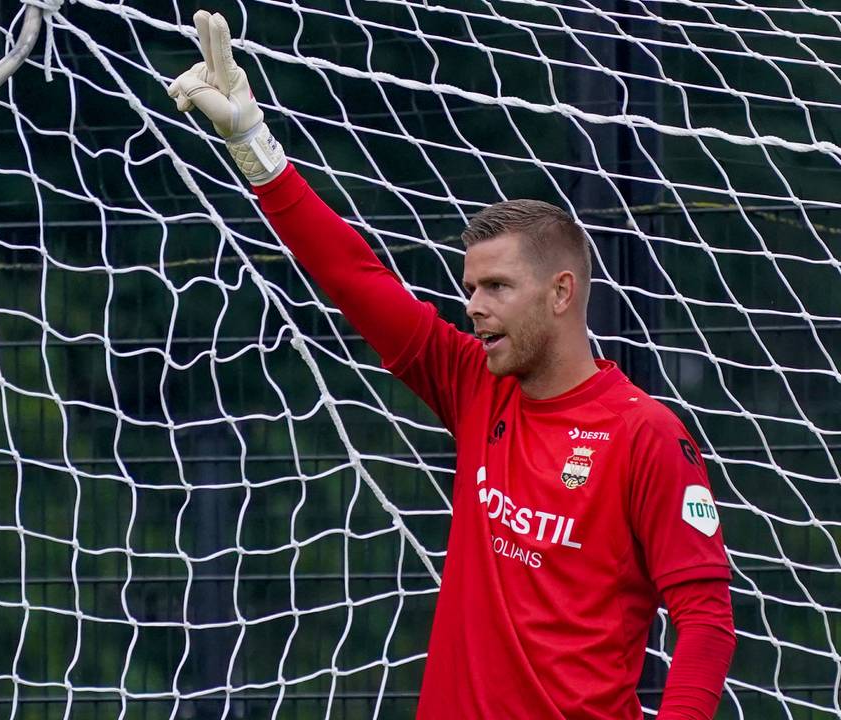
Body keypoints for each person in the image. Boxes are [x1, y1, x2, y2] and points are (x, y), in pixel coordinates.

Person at [167, 11, 735, 719]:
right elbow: (355, 278)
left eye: (496, 287)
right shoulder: (474, 384)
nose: (474, 306)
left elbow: (706, 621)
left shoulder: (644, 434)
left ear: (561, 293)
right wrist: (254, 145)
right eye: (470, 288)